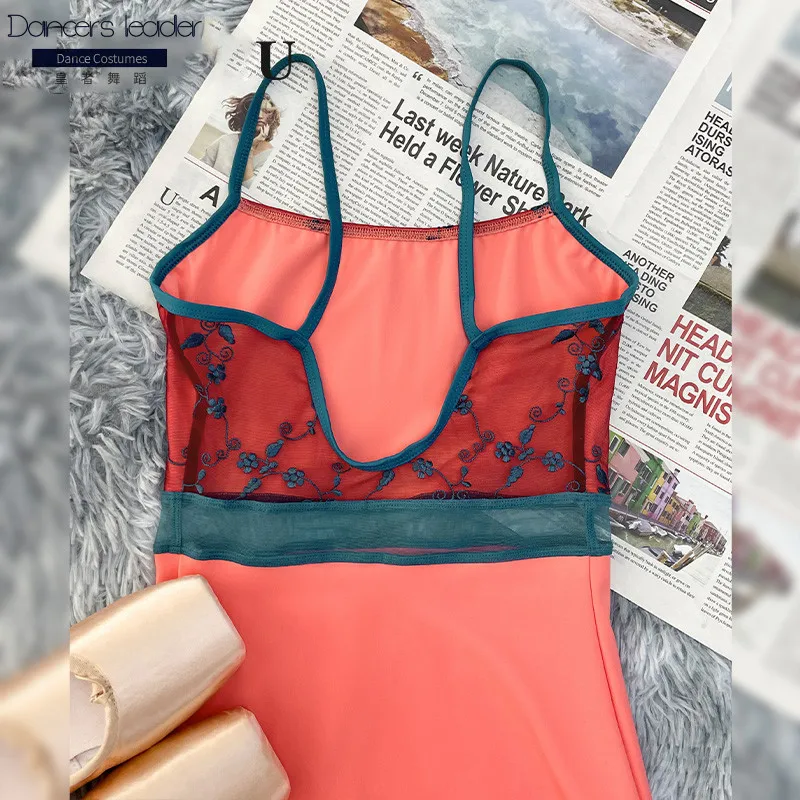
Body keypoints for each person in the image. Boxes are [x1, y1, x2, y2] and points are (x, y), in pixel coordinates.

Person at [201, 92, 280, 187]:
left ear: (272, 117)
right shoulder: (225, 141)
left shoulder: (271, 156)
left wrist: (250, 149)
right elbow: (200, 171)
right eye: (255, 110)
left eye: (265, 111)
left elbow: (249, 187)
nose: (260, 115)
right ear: (245, 114)